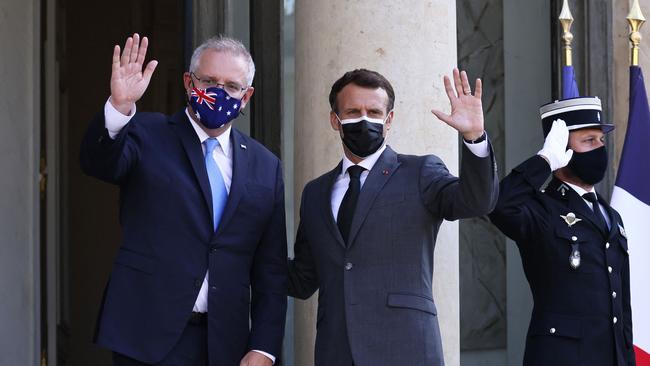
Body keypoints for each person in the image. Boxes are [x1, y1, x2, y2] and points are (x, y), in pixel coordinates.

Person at [80, 33, 287, 366]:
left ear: (246, 97)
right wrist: (119, 107)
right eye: (209, 81)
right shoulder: (147, 133)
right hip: (146, 336)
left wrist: (263, 345)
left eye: (232, 86)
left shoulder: (266, 166)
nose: (220, 92)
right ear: (189, 83)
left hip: (225, 343)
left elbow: (271, 270)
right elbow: (98, 163)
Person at [287, 68, 499, 365]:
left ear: (389, 120)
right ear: (335, 120)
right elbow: (303, 279)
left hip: (406, 349)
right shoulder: (315, 192)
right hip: (336, 352)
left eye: (374, 111)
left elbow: (477, 202)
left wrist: (474, 137)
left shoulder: (420, 173)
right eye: (353, 111)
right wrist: (238, 257)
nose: (365, 120)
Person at [489, 97, 634, 365]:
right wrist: (544, 161)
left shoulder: (611, 216)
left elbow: (622, 308)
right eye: (588, 141)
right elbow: (498, 205)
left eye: (601, 141)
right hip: (561, 357)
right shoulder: (541, 209)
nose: (599, 149)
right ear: (562, 150)